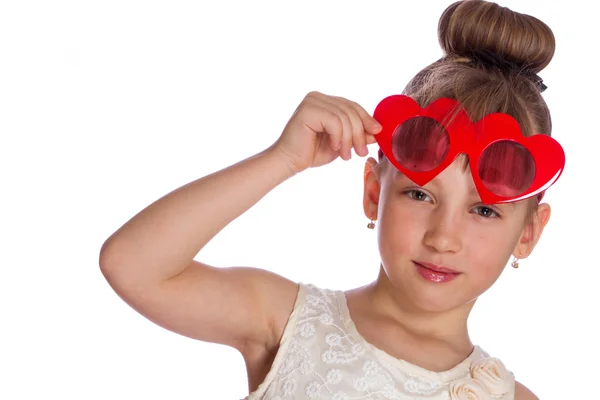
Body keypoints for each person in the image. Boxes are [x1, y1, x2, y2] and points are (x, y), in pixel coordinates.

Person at [98, 1, 564, 399]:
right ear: (374, 192)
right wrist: (282, 160)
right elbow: (132, 265)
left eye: (483, 210)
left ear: (527, 233)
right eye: (420, 194)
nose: (443, 237)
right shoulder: (284, 322)